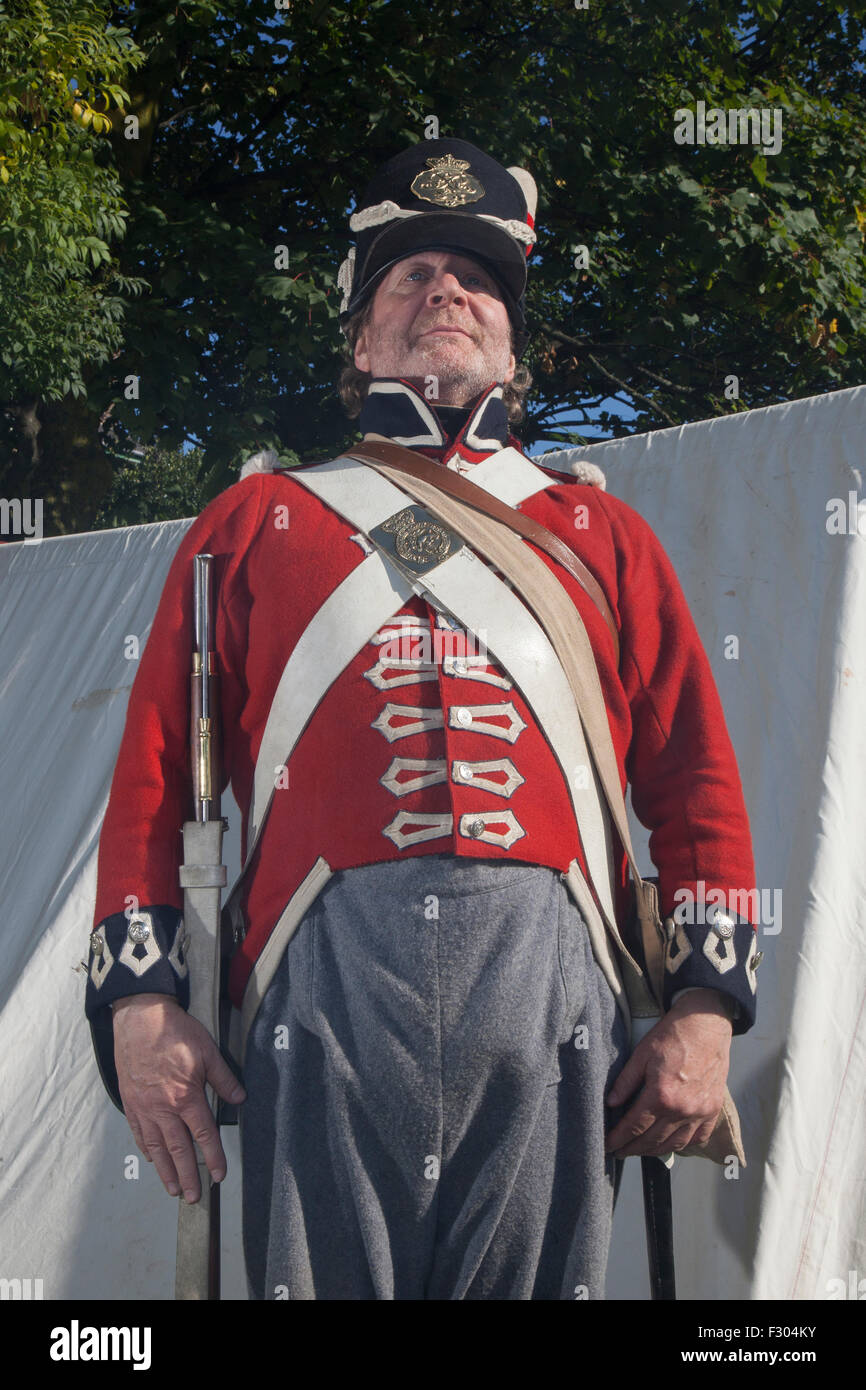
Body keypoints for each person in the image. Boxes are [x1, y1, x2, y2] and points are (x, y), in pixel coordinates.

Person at [86, 138, 759, 1301]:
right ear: (358, 337)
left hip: (553, 979)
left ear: (510, 337)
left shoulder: (600, 538)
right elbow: (153, 777)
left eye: (476, 277)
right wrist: (141, 1004)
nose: (445, 289)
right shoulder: (253, 520)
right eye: (408, 275)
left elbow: (695, 781)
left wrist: (702, 1007)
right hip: (318, 977)